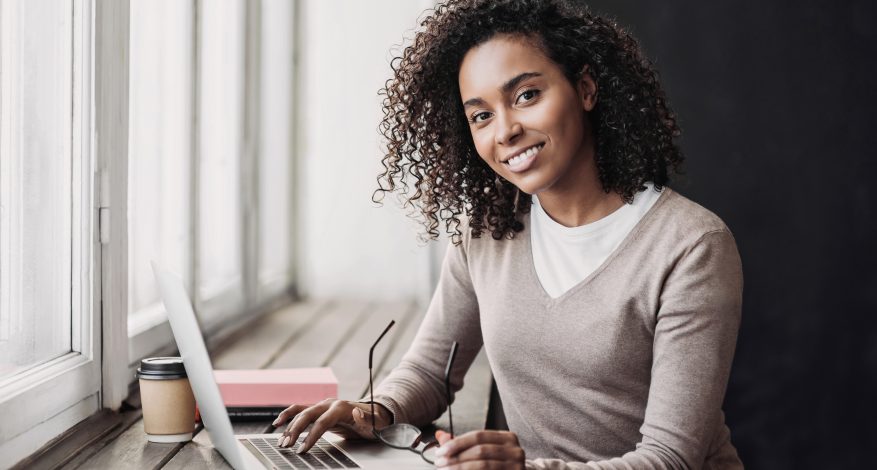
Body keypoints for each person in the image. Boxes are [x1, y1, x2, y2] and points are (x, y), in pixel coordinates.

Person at [273, 0, 744, 468]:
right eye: (481, 116)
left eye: (526, 96)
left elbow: (670, 459)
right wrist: (371, 412)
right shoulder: (487, 234)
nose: (506, 131)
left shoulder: (692, 246)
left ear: (584, 89)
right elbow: (429, 372)